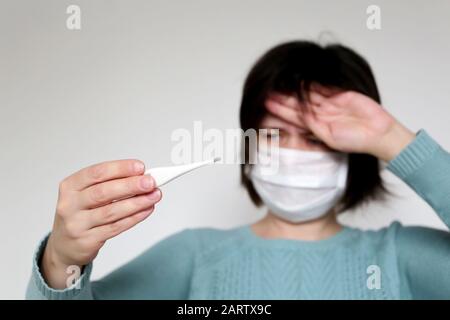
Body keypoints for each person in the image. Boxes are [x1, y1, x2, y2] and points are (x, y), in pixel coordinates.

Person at [26, 41, 450, 299]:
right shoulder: (194, 258)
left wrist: (396, 140)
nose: (296, 152)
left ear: (357, 154)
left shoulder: (401, 260)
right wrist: (61, 261)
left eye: (318, 137)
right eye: (276, 134)